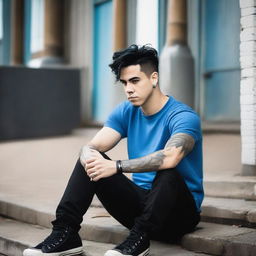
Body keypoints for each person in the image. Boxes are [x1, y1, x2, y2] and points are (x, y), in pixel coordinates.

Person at [23, 44, 204, 256]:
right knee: (91, 157)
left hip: (179, 215)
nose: (128, 89)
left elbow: (171, 156)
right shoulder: (127, 111)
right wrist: (90, 155)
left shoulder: (183, 116)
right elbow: (91, 146)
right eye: (125, 82)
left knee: (168, 172)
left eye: (135, 81)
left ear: (154, 78)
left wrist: (117, 166)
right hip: (141, 209)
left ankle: (139, 240)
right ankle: (66, 232)